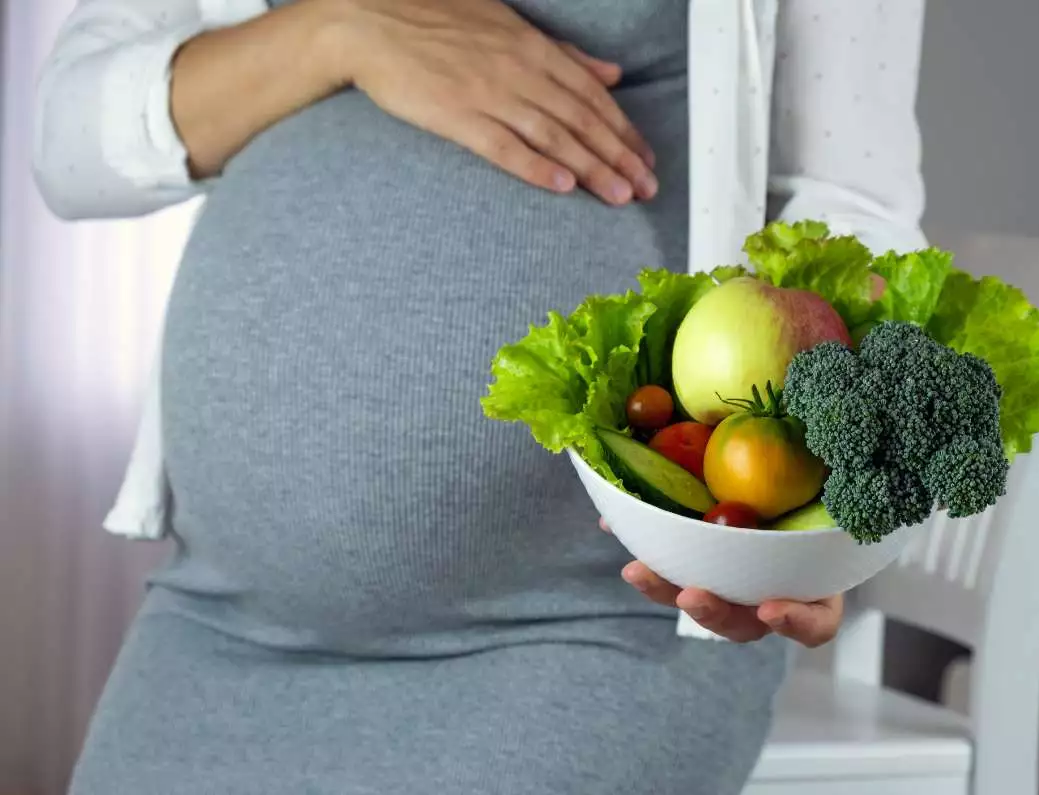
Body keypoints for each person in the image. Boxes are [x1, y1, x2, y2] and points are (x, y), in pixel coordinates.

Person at [33, 0, 930, 792]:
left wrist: (834, 503)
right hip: (219, 620)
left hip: (583, 625)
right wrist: (337, 29)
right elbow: (66, 143)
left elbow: (849, 207)